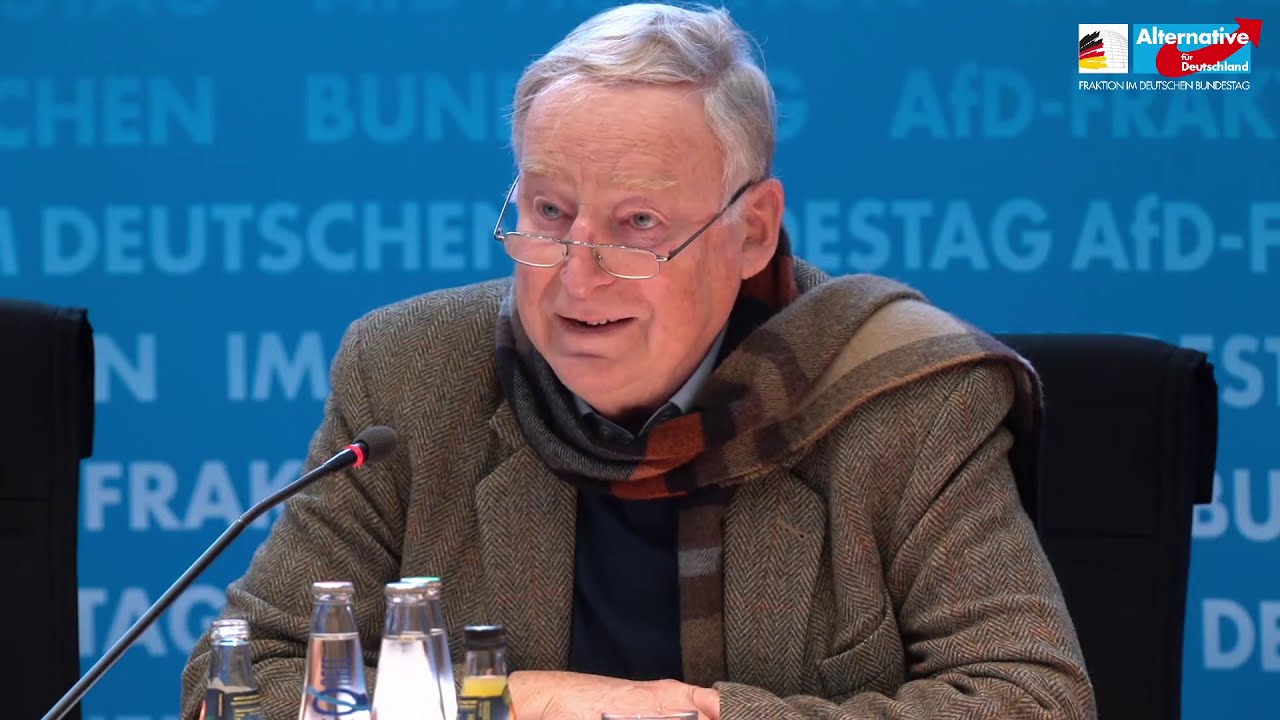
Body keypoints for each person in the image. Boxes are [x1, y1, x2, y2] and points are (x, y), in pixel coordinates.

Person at [180, 4, 1096, 719]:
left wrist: (683, 717)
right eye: (548, 213)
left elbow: (1033, 698)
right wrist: (509, 702)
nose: (576, 277)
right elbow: (242, 682)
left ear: (752, 231)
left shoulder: (897, 398)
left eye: (639, 224)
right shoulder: (412, 375)